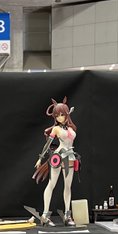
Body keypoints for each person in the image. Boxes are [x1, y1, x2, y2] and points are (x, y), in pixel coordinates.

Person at [32, 97, 80, 226]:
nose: (59, 118)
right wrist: (40, 158)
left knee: (68, 187)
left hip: (70, 157)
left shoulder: (71, 128)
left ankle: (67, 215)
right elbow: (47, 144)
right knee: (51, 184)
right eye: (57, 115)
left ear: (67, 113)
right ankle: (45, 215)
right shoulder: (56, 129)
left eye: (62, 114)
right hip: (59, 157)